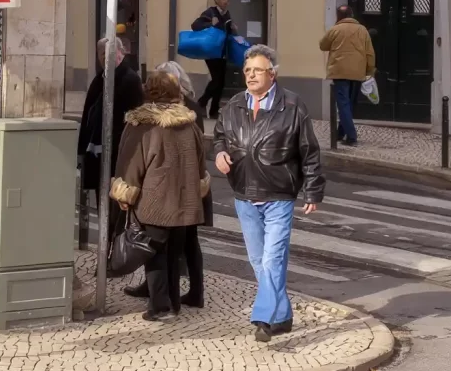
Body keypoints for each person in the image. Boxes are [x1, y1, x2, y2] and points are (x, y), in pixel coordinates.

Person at [213, 44, 324, 342]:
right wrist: (220, 154)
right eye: (247, 70)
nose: (250, 75)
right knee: (257, 259)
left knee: (272, 259)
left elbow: (309, 151)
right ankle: (283, 316)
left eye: (257, 70)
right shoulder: (234, 104)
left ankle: (264, 317)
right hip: (244, 193)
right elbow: (219, 136)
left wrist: (312, 191)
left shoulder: (292, 105)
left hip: (278, 194)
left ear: (272, 74)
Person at [110, 71, 210, 321]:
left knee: (154, 253)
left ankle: (161, 306)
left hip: (154, 201)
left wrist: (124, 194)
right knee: (175, 253)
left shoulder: (141, 124)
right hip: (184, 202)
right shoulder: (189, 124)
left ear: (149, 91)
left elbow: (130, 164)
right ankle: (174, 303)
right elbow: (200, 164)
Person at [77, 38, 145, 207]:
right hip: (98, 151)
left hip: (118, 152)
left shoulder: (130, 79)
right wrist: (81, 149)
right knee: (103, 199)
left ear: (121, 53)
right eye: (102, 54)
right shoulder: (100, 79)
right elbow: (87, 115)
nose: (105, 57)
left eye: (110, 53)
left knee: (116, 202)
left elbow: (135, 117)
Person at [319, 4, 375, 146]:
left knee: (343, 104)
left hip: (339, 72)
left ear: (338, 16)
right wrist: (370, 70)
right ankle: (340, 133)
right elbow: (369, 52)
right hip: (357, 72)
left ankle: (351, 137)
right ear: (352, 15)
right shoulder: (362, 30)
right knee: (349, 104)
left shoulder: (335, 30)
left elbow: (322, 45)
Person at [192, 0, 237, 119]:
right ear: (216, 0)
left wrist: (233, 28)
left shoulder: (226, 14)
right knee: (216, 80)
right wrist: (209, 23)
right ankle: (201, 102)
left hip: (222, 52)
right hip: (211, 52)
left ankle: (213, 110)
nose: (226, 2)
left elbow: (225, 30)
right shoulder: (210, 12)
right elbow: (195, 25)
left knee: (221, 82)